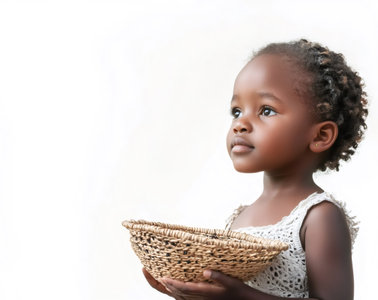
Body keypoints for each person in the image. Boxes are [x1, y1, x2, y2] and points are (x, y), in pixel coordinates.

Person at [142, 39, 368, 300]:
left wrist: (240, 296)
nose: (240, 124)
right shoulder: (240, 217)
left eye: (266, 110)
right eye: (236, 111)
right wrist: (190, 292)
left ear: (320, 136)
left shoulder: (318, 216)